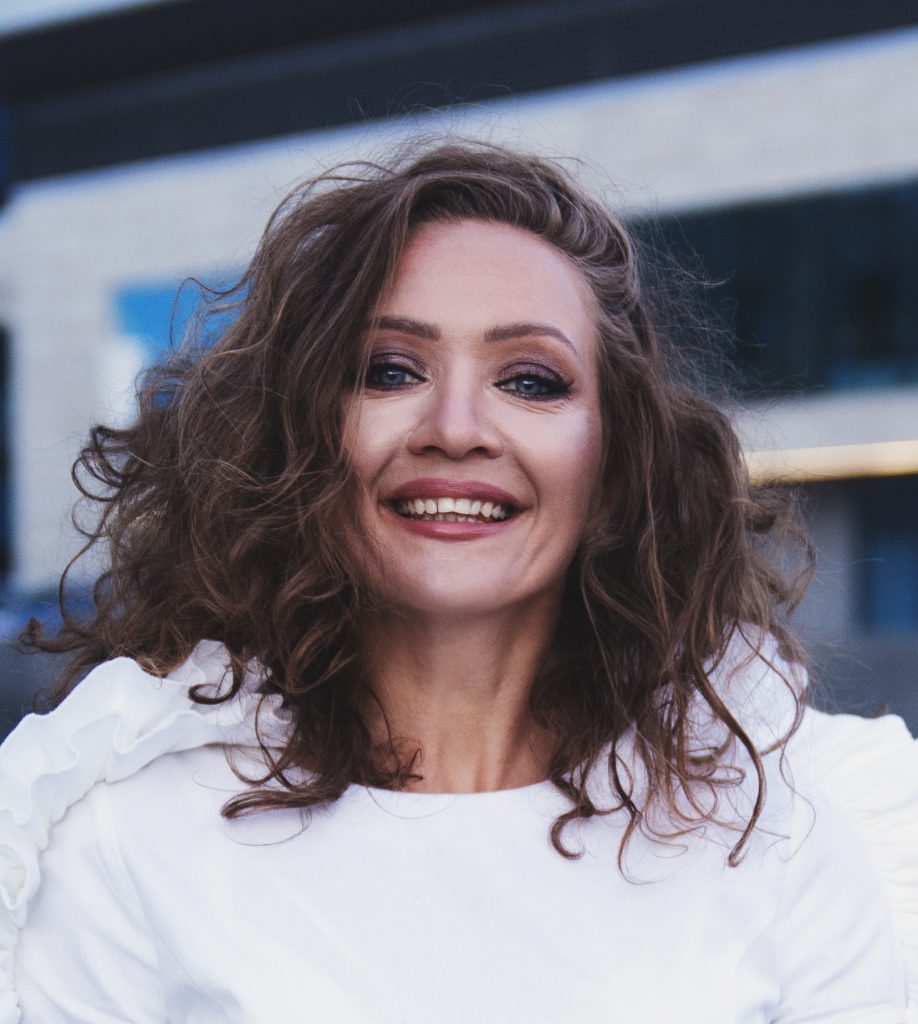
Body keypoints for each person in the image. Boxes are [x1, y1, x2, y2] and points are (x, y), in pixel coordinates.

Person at [0, 140, 914, 1023]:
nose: (456, 426)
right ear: (299, 446)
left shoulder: (777, 824)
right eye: (389, 370)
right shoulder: (131, 837)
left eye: (531, 381)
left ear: (615, 465)